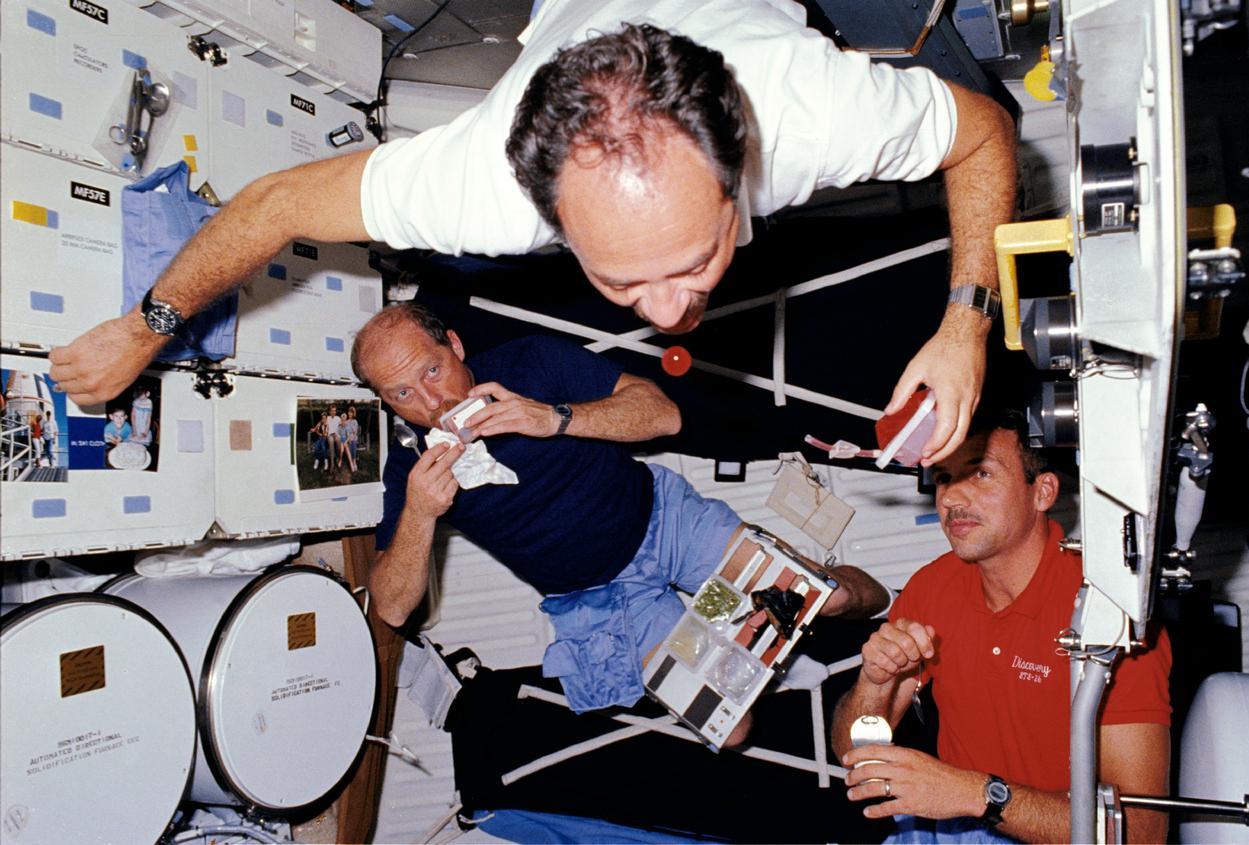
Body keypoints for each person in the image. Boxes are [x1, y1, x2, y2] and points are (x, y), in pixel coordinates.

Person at [49, 0, 1016, 467]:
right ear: (551, 217)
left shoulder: (809, 110)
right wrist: (146, 327)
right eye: (624, 283)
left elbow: (983, 135)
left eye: (696, 258)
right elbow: (274, 205)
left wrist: (966, 318)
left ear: (740, 168)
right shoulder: (483, 189)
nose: (676, 313)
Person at [357, 303, 891, 719]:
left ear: (454, 344)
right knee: (732, 724)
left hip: (664, 522)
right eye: (402, 392)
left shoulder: (530, 362)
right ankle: (735, 644)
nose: (433, 403)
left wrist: (553, 418)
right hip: (595, 602)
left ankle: (876, 606)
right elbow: (394, 608)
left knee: (830, 598)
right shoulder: (408, 469)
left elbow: (664, 415)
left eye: (433, 369)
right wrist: (420, 513)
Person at [832, 410, 1172, 843]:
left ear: (1043, 492)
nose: (952, 497)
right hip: (951, 829)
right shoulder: (933, 587)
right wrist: (873, 684)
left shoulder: (1112, 612)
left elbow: (1142, 833)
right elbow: (854, 756)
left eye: (980, 474)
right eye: (943, 478)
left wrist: (976, 794)